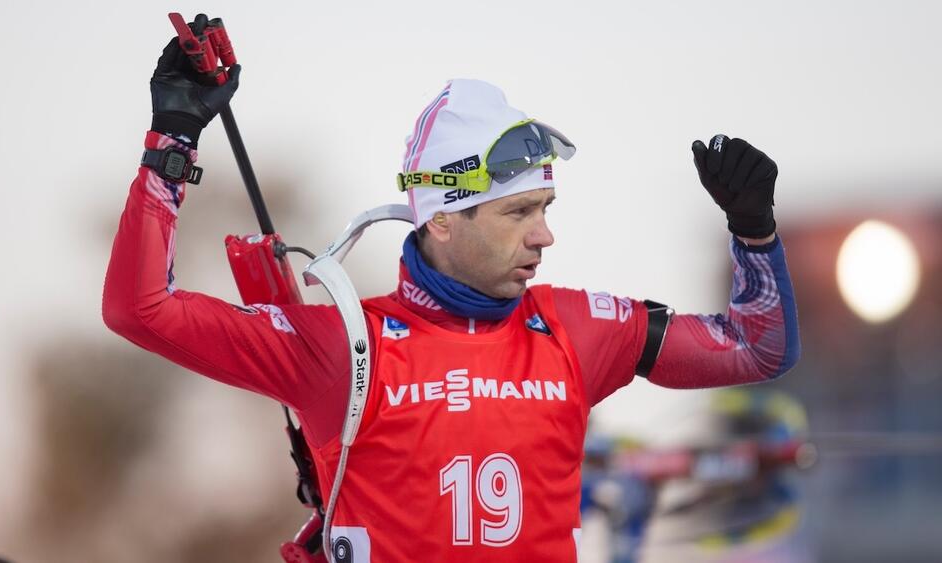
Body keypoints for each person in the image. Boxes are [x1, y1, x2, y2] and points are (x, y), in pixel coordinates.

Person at [103, 22, 800, 563]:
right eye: (518, 213)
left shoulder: (577, 328)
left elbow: (753, 350)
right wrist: (173, 139)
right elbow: (140, 308)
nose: (544, 237)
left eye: (545, 209)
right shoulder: (345, 347)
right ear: (441, 214)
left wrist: (754, 232)